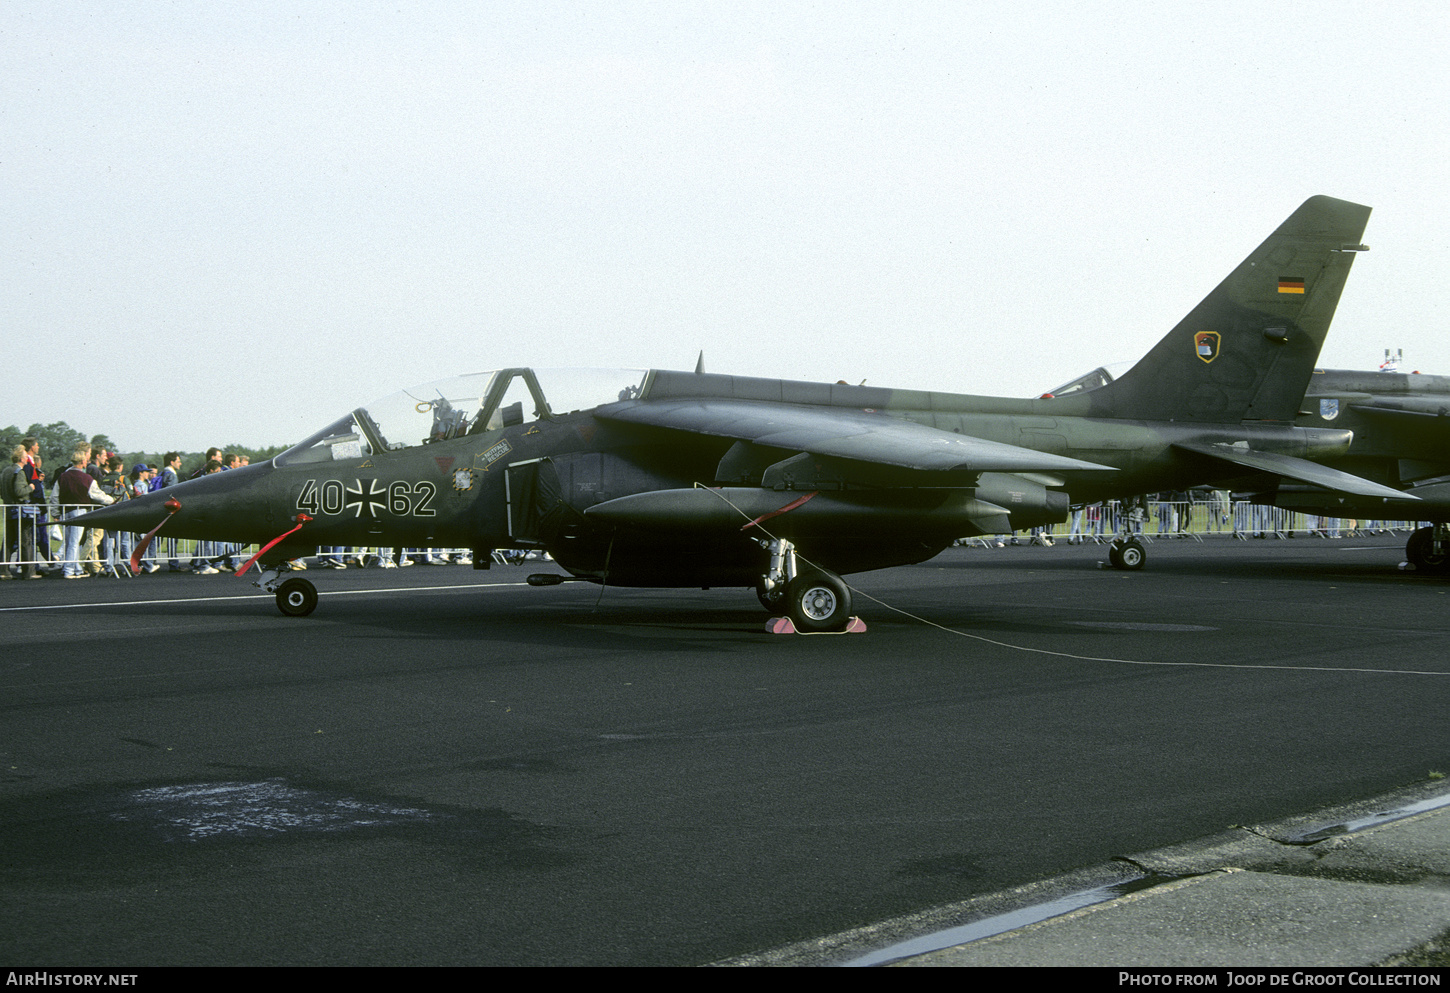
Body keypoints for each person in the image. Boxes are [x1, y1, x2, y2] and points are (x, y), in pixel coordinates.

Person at [58, 445, 115, 579]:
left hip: (65, 512)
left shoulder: (63, 476)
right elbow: (97, 495)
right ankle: (69, 570)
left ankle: (76, 569)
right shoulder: (87, 478)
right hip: (79, 511)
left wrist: (55, 513)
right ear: (83, 462)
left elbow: (55, 496)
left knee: (70, 541)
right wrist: (111, 500)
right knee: (74, 541)